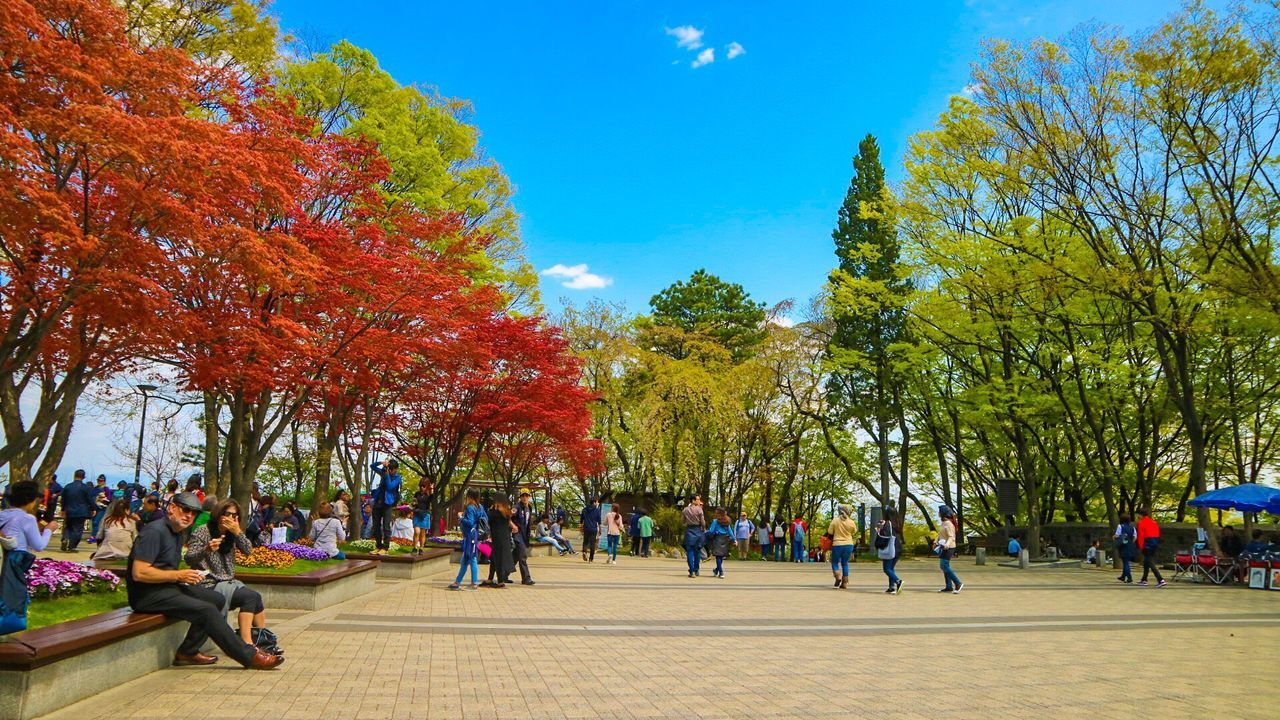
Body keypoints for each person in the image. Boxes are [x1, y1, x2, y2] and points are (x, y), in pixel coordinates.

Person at [128, 492, 281, 669]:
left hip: (167, 587)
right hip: (147, 594)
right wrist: (179, 575)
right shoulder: (154, 532)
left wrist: (180, 577)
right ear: (171, 508)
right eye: (185, 510)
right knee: (206, 609)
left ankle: (188, 651)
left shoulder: (177, 532)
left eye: (194, 513)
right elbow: (139, 573)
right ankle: (248, 656)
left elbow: (248, 551)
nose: (189, 516)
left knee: (216, 599)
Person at [185, 499, 273, 648]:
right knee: (250, 597)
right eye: (228, 514)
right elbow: (189, 558)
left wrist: (238, 532)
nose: (231, 518)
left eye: (235, 515)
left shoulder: (232, 533)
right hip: (208, 582)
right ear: (219, 514)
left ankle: (263, 642)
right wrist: (205, 549)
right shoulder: (203, 531)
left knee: (256, 599)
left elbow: (248, 550)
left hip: (227, 581)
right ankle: (247, 645)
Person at [0, 481, 58, 552]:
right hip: (17, 559)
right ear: (31, 501)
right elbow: (39, 546)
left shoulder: (2, 514)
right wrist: (49, 529)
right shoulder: (27, 518)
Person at [449, 489, 485, 590]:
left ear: (469, 496)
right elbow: (484, 518)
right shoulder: (480, 507)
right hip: (475, 535)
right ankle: (459, 582)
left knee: (470, 559)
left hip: (470, 536)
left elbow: (469, 522)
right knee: (467, 559)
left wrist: (461, 517)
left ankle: (469, 582)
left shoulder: (470, 508)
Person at [370, 459, 403, 555]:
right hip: (378, 502)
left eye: (393, 469)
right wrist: (381, 463)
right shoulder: (384, 472)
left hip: (388, 503)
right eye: (390, 469)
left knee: (386, 526)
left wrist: (387, 475)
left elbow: (390, 486)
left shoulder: (397, 478)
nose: (392, 471)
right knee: (376, 526)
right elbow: (372, 466)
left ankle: (385, 547)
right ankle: (378, 546)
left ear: (396, 469)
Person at [59, 469, 96, 553]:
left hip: (69, 510)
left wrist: (63, 509)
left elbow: (63, 499)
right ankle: (72, 546)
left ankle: (65, 537)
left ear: (74, 475)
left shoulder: (68, 486)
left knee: (68, 526)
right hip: (81, 511)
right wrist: (93, 508)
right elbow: (89, 500)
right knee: (77, 529)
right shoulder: (85, 488)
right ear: (83, 477)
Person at [482, 494, 514, 588]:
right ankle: (490, 578)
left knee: (497, 558)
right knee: (494, 558)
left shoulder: (495, 511)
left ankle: (500, 581)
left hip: (497, 538)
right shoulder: (506, 511)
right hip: (504, 537)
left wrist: (491, 509)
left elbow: (489, 519)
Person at [935, 505, 963, 593]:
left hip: (949, 547)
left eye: (939, 512)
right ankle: (949, 586)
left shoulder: (949, 524)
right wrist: (936, 541)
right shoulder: (944, 523)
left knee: (944, 565)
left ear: (943, 513)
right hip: (944, 546)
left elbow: (951, 537)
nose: (938, 513)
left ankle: (958, 583)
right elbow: (940, 534)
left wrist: (947, 544)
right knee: (945, 566)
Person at [828, 505, 858, 589]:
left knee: (834, 562)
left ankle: (838, 576)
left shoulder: (835, 520)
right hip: (849, 544)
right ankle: (844, 582)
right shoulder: (851, 522)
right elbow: (854, 531)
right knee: (845, 563)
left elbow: (830, 532)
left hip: (837, 544)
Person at [1135, 508, 1165, 587]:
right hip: (1154, 543)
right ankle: (1144, 579)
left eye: (1138, 515)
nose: (1137, 516)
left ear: (1140, 515)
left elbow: (1140, 536)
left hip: (1146, 544)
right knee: (1146, 562)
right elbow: (1158, 534)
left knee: (1150, 562)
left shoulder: (1141, 523)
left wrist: (1141, 546)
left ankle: (1160, 579)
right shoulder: (1154, 522)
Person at [876, 507, 903, 594]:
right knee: (891, 568)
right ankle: (891, 587)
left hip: (891, 548)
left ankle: (898, 581)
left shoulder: (888, 523)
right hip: (898, 548)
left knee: (886, 569)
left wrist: (879, 529)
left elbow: (886, 536)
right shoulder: (897, 522)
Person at [511, 492, 536, 585]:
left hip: (524, 535)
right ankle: (526, 578)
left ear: (529, 497)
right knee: (523, 556)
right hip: (517, 535)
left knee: (515, 557)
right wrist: (513, 526)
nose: (525, 498)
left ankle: (503, 574)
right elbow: (508, 517)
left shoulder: (529, 507)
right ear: (520, 497)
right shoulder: (517, 507)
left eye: (527, 496)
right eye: (523, 496)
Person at [706, 508, 734, 578]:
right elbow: (730, 531)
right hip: (725, 539)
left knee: (718, 556)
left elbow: (711, 531)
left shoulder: (715, 521)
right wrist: (734, 539)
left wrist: (706, 533)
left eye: (716, 512)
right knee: (721, 556)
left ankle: (721, 572)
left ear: (719, 513)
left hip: (718, 539)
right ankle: (716, 570)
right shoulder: (727, 521)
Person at [682, 496, 706, 578]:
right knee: (697, 550)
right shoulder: (699, 509)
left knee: (690, 551)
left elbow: (683, 521)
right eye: (698, 499)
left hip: (689, 530)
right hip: (698, 530)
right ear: (693, 500)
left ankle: (691, 570)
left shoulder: (685, 510)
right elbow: (702, 521)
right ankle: (696, 569)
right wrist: (703, 528)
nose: (699, 501)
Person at [1113, 514, 1137, 583]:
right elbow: (1135, 537)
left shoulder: (1120, 526)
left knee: (1125, 562)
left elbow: (1117, 535)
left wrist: (1114, 537)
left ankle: (1129, 578)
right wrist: (1131, 543)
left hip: (1123, 546)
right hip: (1130, 546)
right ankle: (1123, 576)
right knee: (1126, 561)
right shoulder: (1133, 527)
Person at [412, 481, 432, 554]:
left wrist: (432, 490)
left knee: (423, 533)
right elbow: (414, 502)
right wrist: (414, 504)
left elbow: (432, 499)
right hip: (417, 514)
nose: (421, 487)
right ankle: (414, 547)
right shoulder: (417, 494)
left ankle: (421, 548)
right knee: (417, 532)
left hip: (425, 514)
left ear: (426, 487)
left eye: (423, 486)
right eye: (420, 486)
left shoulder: (429, 495)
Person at [89, 474, 111, 541]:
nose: (99, 482)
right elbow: (91, 497)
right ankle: (95, 535)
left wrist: (103, 499)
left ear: (104, 481)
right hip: (94, 507)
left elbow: (109, 498)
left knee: (96, 522)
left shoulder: (106, 489)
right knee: (93, 522)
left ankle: (94, 536)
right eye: (98, 480)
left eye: (101, 481)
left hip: (102, 508)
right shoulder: (94, 489)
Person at [580, 497, 601, 563]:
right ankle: (591, 559)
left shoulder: (584, 509)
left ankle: (584, 551)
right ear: (594, 502)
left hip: (586, 528)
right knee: (592, 543)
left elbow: (581, 520)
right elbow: (599, 521)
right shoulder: (597, 510)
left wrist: (581, 528)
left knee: (585, 542)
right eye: (596, 502)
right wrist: (600, 529)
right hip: (593, 529)